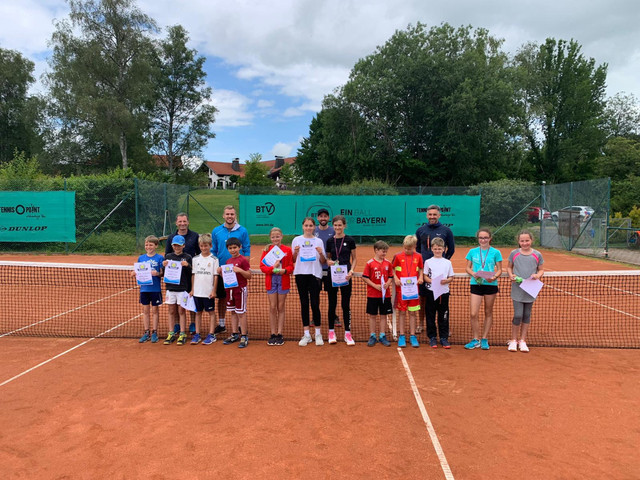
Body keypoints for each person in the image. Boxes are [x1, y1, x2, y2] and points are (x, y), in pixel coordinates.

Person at [211, 205, 250, 335]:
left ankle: (239, 327)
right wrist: (217, 269)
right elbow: (214, 250)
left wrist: (243, 266)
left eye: (232, 214)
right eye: (227, 214)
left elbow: (246, 248)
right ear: (223, 215)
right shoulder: (216, 231)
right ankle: (222, 324)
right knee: (222, 298)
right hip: (223, 272)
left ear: (235, 216)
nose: (229, 216)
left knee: (238, 299)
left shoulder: (242, 231)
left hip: (237, 273)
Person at [416, 205, 455, 334]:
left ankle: (444, 327)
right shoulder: (420, 230)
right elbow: (417, 250)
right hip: (424, 271)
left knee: (441, 300)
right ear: (427, 215)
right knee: (423, 298)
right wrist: (423, 265)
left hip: (441, 274)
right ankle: (421, 323)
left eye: (435, 214)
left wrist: (443, 260)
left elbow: (451, 248)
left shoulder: (446, 231)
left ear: (439, 215)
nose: (432, 217)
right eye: (430, 214)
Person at [464, 228, 503, 350]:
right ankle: (476, 339)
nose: (483, 240)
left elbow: (500, 269)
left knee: (488, 312)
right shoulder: (472, 251)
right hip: (476, 284)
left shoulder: (496, 252)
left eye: (485, 237)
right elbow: (467, 268)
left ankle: (485, 338)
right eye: (481, 238)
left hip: (491, 285)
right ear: (478, 238)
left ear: (490, 238)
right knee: (473, 313)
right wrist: (473, 274)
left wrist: (494, 276)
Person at [506, 230, 545, 353]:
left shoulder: (537, 254)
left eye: (527, 240)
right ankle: (513, 340)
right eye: (522, 241)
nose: (525, 243)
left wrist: (537, 275)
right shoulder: (514, 253)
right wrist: (511, 275)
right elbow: (509, 267)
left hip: (531, 288)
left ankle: (522, 340)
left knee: (527, 315)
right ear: (519, 241)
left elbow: (541, 270)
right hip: (518, 288)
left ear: (531, 240)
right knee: (518, 315)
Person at [292, 217, 327, 346]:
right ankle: (306, 334)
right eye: (306, 225)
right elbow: (294, 259)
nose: (308, 228)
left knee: (315, 303)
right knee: (304, 304)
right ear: (303, 226)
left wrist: (321, 253)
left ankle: (318, 334)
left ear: (314, 227)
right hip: (300, 274)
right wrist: (295, 252)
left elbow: (323, 261)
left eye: (310, 225)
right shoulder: (296, 240)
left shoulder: (318, 241)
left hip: (314, 274)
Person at [165, 212, 200, 335]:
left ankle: (193, 323)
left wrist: (191, 267)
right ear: (176, 223)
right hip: (175, 277)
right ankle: (176, 325)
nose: (182, 224)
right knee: (174, 305)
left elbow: (199, 253)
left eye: (184, 221)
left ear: (188, 222)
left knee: (190, 299)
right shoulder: (171, 237)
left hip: (189, 274)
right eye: (180, 221)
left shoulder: (195, 236)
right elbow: (167, 256)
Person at [325, 215, 357, 346]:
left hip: (346, 276)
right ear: (333, 226)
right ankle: (331, 332)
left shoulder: (350, 240)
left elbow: (354, 259)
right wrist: (329, 262)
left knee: (345, 304)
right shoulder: (329, 241)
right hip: (332, 276)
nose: (338, 227)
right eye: (336, 225)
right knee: (332, 304)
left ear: (344, 226)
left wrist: (351, 271)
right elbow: (327, 259)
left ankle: (347, 333)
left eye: (340, 225)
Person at [260, 227, 293, 346]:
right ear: (270, 238)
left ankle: (280, 333)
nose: (275, 239)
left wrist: (283, 271)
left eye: (277, 236)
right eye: (273, 237)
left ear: (281, 236)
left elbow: (291, 267)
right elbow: (262, 267)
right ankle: (273, 333)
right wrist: (272, 268)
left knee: (281, 307)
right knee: (273, 307)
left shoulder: (287, 250)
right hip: (271, 281)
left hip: (283, 280)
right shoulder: (266, 250)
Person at [219, 237, 252, 348]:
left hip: (240, 290)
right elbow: (227, 278)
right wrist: (220, 273)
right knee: (233, 312)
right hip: (230, 290)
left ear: (240, 247)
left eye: (235, 247)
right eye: (230, 248)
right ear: (227, 249)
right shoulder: (228, 262)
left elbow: (249, 275)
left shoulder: (243, 260)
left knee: (241, 313)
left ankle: (244, 335)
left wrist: (240, 270)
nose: (233, 250)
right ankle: (234, 334)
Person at [392, 235, 424, 348]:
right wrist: (395, 278)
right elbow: (392, 268)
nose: (407, 250)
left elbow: (421, 268)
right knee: (401, 313)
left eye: (409, 248)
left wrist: (421, 277)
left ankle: (412, 335)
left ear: (415, 246)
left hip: (414, 290)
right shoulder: (397, 256)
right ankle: (401, 335)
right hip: (401, 291)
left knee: (412, 313)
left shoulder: (419, 256)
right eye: (405, 248)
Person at [423, 237, 455, 349]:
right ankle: (432, 337)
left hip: (444, 293)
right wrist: (432, 281)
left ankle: (443, 338)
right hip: (431, 292)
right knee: (430, 315)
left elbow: (451, 277)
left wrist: (446, 280)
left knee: (444, 316)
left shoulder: (447, 263)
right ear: (432, 249)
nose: (437, 250)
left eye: (439, 248)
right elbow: (425, 276)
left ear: (444, 249)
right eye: (435, 248)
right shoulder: (428, 262)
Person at [132, 235, 164, 343]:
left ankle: (154, 332)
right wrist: (134, 273)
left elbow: (162, 273)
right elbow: (139, 271)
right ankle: (146, 332)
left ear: (156, 246)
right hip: (144, 289)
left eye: (150, 245)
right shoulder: (141, 258)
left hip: (155, 289)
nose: (148, 247)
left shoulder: (160, 258)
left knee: (155, 310)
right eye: (146, 244)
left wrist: (157, 273)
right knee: (145, 311)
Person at [162, 235, 193, 345]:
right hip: (170, 288)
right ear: (172, 246)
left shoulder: (188, 257)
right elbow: (164, 272)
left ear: (183, 246)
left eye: (179, 245)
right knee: (171, 311)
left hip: (182, 288)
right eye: (175, 245)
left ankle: (182, 333)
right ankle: (171, 333)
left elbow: (192, 273)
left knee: (181, 311)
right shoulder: (168, 256)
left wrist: (187, 265)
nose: (177, 247)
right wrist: (164, 265)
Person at [362, 240, 393, 347]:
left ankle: (382, 335)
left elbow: (391, 276)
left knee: (384, 315)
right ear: (376, 250)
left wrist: (388, 283)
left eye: (386, 252)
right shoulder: (369, 264)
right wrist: (375, 286)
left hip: (385, 295)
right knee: (373, 316)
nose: (384, 254)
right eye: (382, 251)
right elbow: (365, 278)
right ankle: (372, 335)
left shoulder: (388, 263)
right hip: (372, 295)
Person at [190, 233, 219, 345]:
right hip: (197, 291)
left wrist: (214, 291)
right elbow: (193, 275)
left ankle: (211, 334)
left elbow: (216, 276)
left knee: (211, 312)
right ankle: (197, 334)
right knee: (198, 313)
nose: (203, 248)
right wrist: (192, 289)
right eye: (201, 246)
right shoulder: (195, 259)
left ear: (210, 246)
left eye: (206, 246)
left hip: (208, 292)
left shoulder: (214, 259)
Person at [314, 208, 338, 326]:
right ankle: (315, 316)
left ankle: (333, 316)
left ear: (328, 218)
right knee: (314, 294)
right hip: (315, 269)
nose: (323, 218)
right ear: (318, 218)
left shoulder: (334, 231)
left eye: (325, 216)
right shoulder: (313, 230)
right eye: (321, 216)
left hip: (330, 269)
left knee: (332, 294)